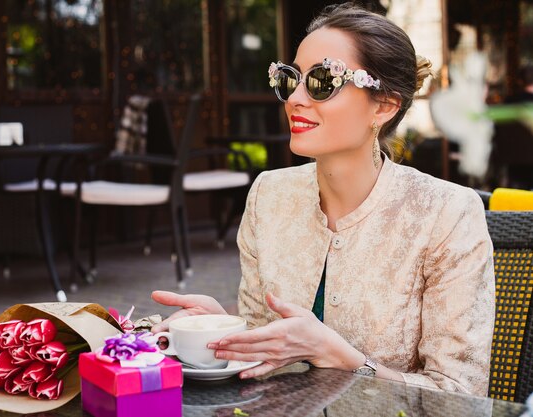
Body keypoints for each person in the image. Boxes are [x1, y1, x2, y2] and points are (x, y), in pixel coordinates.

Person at [152, 3, 495, 397]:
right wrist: (225, 331)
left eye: (321, 81)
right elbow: (263, 356)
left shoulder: (448, 213)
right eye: (289, 79)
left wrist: (341, 357)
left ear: (383, 105)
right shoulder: (268, 195)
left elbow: (461, 395)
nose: (295, 98)